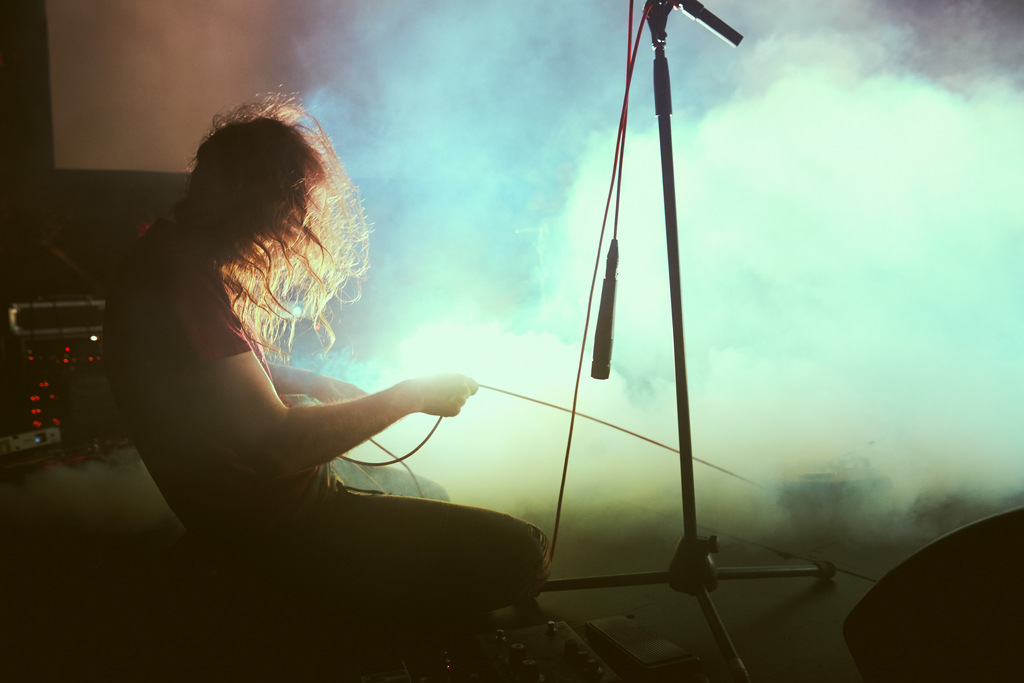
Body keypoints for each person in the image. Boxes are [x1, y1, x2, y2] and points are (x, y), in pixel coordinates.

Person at [103, 95, 549, 617]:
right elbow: (276, 448)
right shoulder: (177, 282)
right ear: (257, 199)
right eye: (292, 204)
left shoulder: (172, 259)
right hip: (286, 530)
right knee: (525, 552)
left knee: (433, 490)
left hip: (274, 510)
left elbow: (209, 376)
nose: (295, 224)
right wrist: (412, 395)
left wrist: (310, 380)